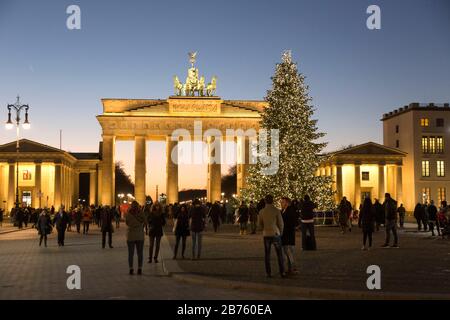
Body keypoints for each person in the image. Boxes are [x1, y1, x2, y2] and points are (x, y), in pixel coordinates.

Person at [258, 195, 285, 278]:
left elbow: (259, 225)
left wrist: (264, 229)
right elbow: (281, 223)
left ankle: (268, 273)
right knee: (279, 254)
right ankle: (282, 272)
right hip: (275, 234)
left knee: (267, 254)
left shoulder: (262, 211)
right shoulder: (276, 210)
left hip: (266, 234)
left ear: (265, 201)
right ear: (272, 201)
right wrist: (280, 232)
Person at [126, 201, 145, 275]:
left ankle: (131, 269)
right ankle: (139, 268)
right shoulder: (141, 213)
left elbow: (127, 223)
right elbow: (145, 221)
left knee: (130, 254)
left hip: (130, 235)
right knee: (140, 253)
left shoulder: (128, 214)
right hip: (140, 235)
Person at [281, 197, 298, 274]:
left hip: (288, 235)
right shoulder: (283, 211)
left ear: (287, 203)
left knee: (289, 253)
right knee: (286, 253)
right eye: (281, 202)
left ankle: (293, 268)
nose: (281, 203)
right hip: (284, 236)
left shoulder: (290, 211)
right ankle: (289, 269)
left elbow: (291, 223)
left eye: (283, 202)